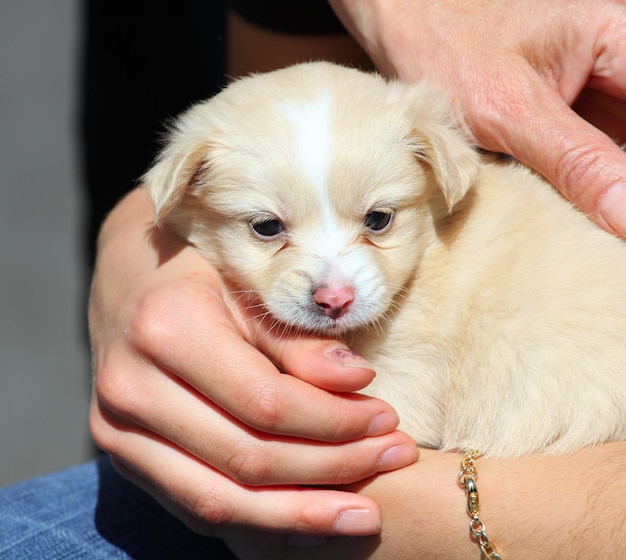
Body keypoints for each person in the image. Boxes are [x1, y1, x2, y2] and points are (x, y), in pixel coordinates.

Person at [3, 1, 626, 558]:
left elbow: (371, 443)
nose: (335, 289)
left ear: (438, 175)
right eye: (269, 228)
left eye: (378, 221)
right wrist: (130, 241)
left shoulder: (469, 241)